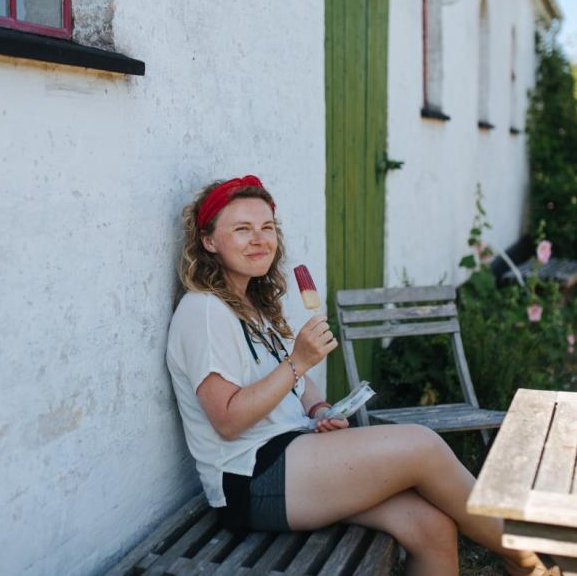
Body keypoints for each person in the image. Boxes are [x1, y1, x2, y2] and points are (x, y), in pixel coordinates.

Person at [166, 175, 552, 576]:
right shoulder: (205, 311)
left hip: (292, 450)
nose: (259, 239)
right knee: (421, 444)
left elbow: (292, 384)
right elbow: (227, 420)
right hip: (251, 478)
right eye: (242, 229)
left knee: (431, 527)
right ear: (209, 241)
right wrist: (298, 360)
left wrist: (318, 406)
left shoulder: (253, 305)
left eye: (267, 228)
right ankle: (526, 561)